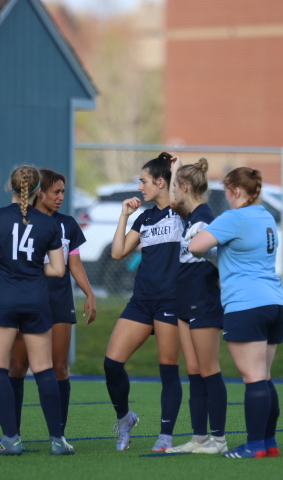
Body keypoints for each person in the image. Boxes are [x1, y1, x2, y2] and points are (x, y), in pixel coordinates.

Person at [0, 165, 74, 456]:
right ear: (39, 190)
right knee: (44, 371)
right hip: (36, 302)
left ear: (9, 188)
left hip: (2, 300)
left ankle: (12, 440)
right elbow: (58, 269)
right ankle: (57, 440)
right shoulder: (49, 224)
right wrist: (29, 268)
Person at [188, 167, 283, 459]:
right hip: (275, 302)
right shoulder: (266, 215)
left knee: (253, 377)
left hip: (246, 304)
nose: (226, 197)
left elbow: (195, 248)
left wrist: (201, 236)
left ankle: (254, 445)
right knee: (265, 376)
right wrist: (214, 250)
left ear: (237, 191)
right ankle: (268, 443)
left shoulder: (233, 217)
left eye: (227, 191)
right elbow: (239, 253)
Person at [8, 168, 97, 441]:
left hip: (58, 302)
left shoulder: (67, 223)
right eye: (56, 192)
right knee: (17, 368)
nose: (60, 197)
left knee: (59, 367)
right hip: (26, 300)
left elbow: (75, 263)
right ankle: (13, 433)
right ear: (39, 192)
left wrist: (89, 294)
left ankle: (58, 434)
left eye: (63, 192)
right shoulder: (20, 221)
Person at [104, 152, 183, 452]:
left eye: (144, 181)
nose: (140, 187)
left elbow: (182, 191)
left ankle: (165, 436)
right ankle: (125, 419)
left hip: (170, 301)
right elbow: (117, 252)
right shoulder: (145, 217)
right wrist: (124, 215)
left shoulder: (179, 212)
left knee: (168, 370)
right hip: (141, 301)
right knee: (112, 364)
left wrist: (174, 167)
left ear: (161, 182)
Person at [163, 157, 228, 455]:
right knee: (192, 370)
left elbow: (218, 260)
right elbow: (174, 203)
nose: (172, 192)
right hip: (183, 302)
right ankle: (198, 437)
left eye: (176, 187)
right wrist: (174, 170)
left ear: (186, 187)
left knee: (208, 369)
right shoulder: (190, 216)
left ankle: (219, 439)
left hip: (203, 302)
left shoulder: (205, 219)